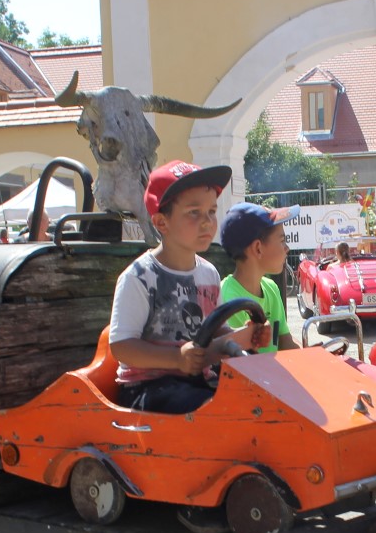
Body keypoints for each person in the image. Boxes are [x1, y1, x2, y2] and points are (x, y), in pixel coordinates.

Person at [107, 161, 262, 414]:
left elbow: (215, 327)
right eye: (194, 212)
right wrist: (176, 359)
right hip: (147, 388)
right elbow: (121, 346)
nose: (207, 222)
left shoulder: (208, 273)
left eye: (211, 211)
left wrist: (243, 336)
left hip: (196, 380)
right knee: (214, 411)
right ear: (161, 222)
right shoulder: (140, 277)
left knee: (256, 400)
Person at [219, 202, 298, 355]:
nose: (287, 248)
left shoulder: (271, 288)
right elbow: (245, 363)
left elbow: (284, 341)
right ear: (258, 248)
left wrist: (316, 355)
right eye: (282, 240)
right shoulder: (229, 300)